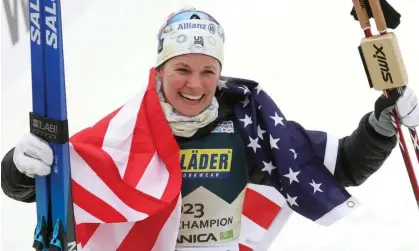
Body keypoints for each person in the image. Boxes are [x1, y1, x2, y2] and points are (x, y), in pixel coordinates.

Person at [2, 7, 419, 251]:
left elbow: (342, 166)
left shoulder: (245, 125)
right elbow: (53, 184)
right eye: (182, 68)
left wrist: (382, 125)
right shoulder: (127, 133)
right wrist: (19, 168)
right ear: (160, 70)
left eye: (207, 71)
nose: (195, 84)